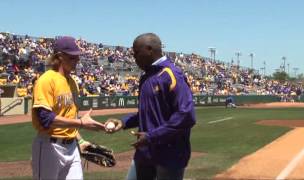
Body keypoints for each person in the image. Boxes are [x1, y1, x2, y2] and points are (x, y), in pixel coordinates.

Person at [106, 33, 196, 180]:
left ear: (149, 49)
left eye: (136, 53)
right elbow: (146, 113)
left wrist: (152, 136)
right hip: (145, 153)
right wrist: (123, 122)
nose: (134, 58)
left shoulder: (172, 75)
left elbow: (186, 115)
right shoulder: (146, 77)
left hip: (169, 156)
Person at [31, 36, 106, 180]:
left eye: (77, 57)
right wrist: (82, 123)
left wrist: (81, 140)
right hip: (49, 146)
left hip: (72, 147)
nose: (77, 61)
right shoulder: (46, 80)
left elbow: (70, 118)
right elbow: (45, 118)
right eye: (72, 57)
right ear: (59, 57)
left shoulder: (73, 83)